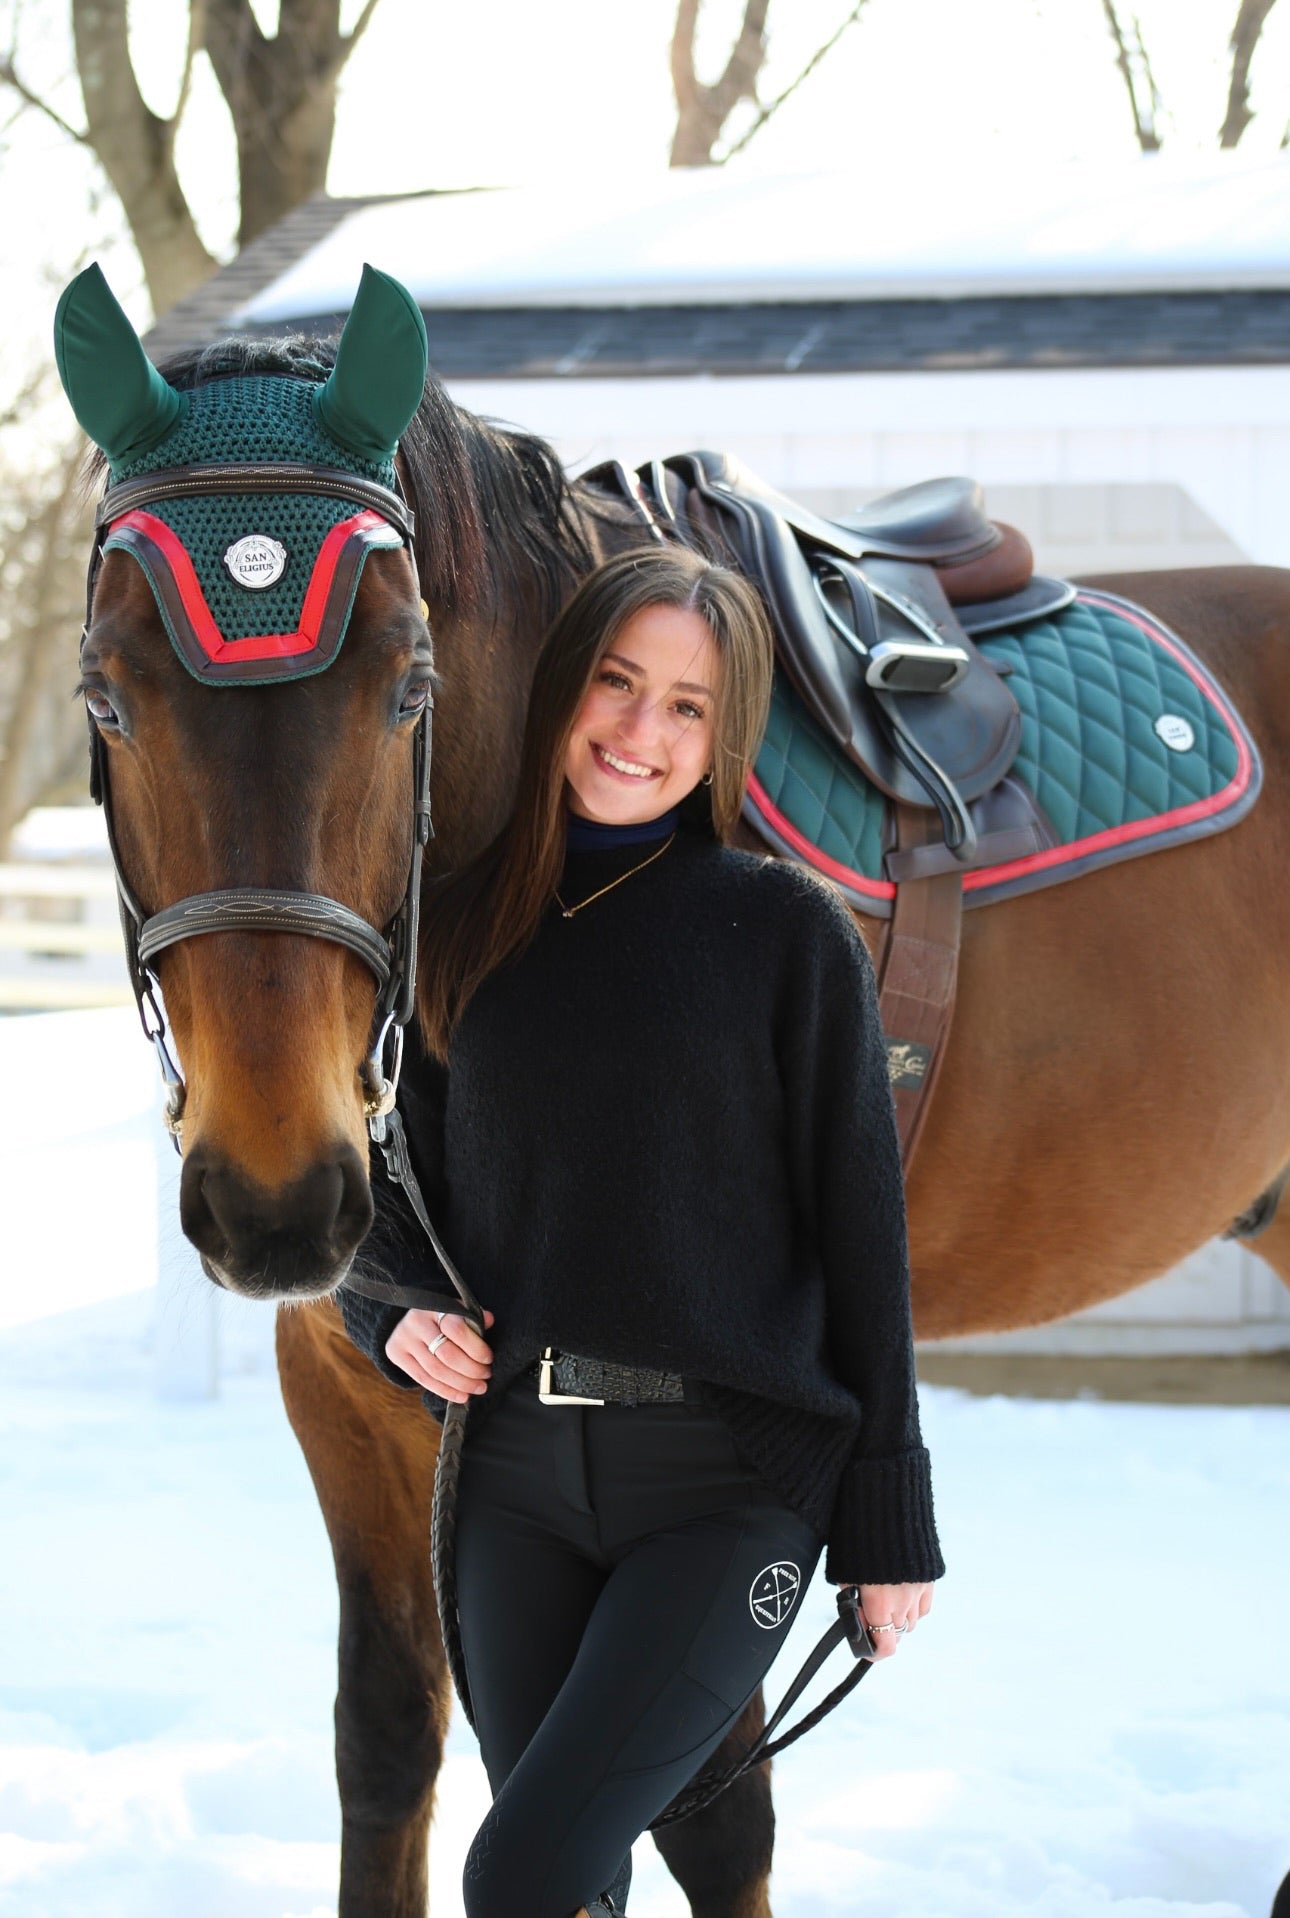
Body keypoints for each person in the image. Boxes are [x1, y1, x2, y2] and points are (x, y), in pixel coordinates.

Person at [340, 545, 944, 1918]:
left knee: (520, 1872)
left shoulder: (786, 931)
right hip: (511, 1483)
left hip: (728, 1482)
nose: (639, 731)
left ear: (721, 737)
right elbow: (379, 1200)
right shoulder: (457, 931)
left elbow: (863, 1238)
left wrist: (887, 1517)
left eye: (685, 705)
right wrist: (390, 1311)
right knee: (576, 1879)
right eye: (616, 684)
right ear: (562, 691)